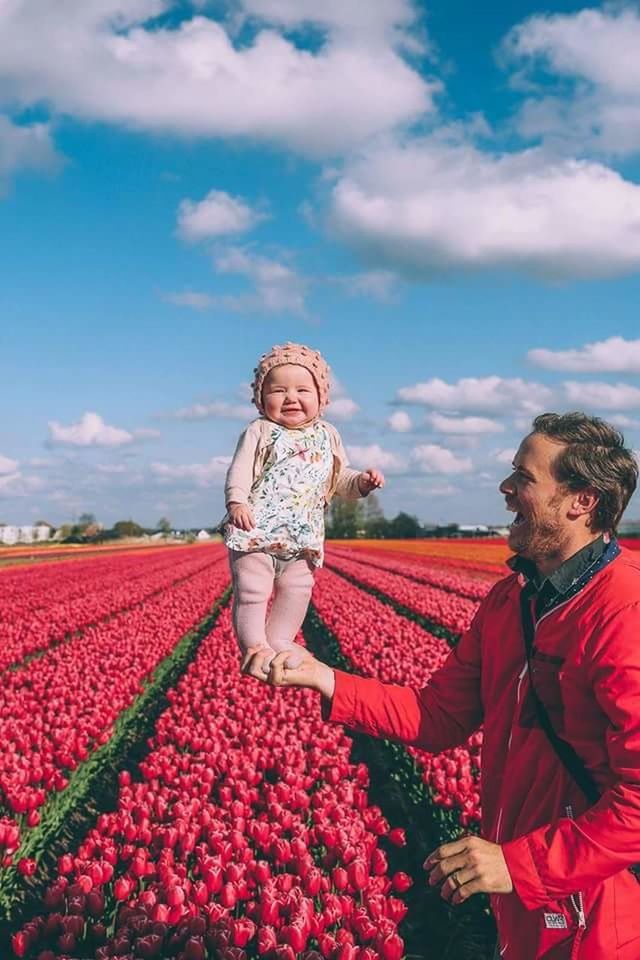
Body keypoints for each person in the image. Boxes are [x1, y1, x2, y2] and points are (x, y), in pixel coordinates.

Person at [242, 412, 640, 960]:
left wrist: (519, 864)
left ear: (582, 500)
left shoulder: (625, 611)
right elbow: (438, 718)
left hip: (598, 908)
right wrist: (324, 677)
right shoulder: (512, 601)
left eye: (523, 477)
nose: (505, 489)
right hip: (522, 901)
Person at [223, 341, 384, 671]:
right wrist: (236, 500)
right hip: (256, 528)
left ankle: (280, 638)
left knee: (298, 588)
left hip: (302, 535)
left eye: (302, 390)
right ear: (260, 398)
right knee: (254, 588)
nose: (290, 398)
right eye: (278, 390)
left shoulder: (328, 435)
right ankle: (254, 643)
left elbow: (338, 479)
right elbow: (239, 468)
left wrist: (362, 484)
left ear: (321, 398)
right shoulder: (260, 431)